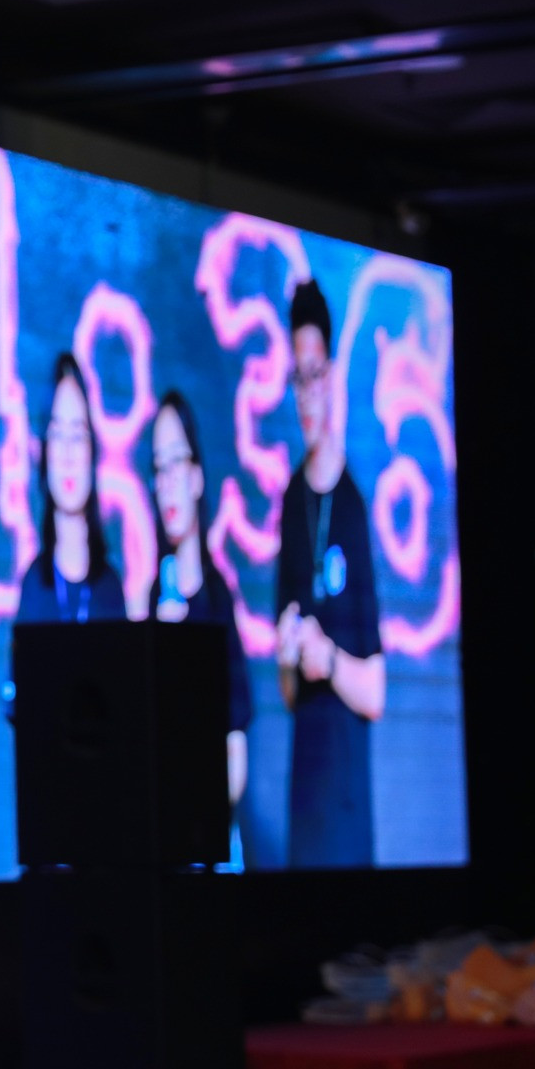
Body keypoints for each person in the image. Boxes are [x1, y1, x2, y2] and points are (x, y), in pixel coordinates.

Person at [275, 279, 385, 868]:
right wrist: (287, 657)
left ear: (334, 376)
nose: (307, 394)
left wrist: (330, 660)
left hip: (346, 799)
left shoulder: (354, 507)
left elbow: (376, 693)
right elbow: (289, 694)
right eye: (298, 378)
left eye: (315, 374)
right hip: (304, 796)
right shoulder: (290, 503)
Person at [147, 388, 252, 811]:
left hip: (206, 823)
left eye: (177, 462)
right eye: (159, 468)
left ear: (196, 477)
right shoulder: (153, 596)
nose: (168, 481)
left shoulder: (217, 600)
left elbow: (236, 761)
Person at [15, 353, 127, 626]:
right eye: (57, 435)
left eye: (77, 436)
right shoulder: (33, 585)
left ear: (92, 452)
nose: (67, 454)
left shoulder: (111, 588)